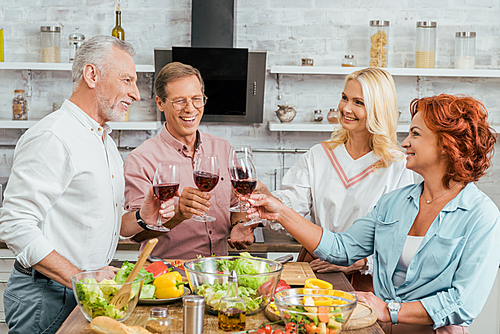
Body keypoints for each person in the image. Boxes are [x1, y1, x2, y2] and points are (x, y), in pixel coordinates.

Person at [247, 94, 500, 333]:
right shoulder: (395, 202)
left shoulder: (481, 215)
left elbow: (462, 302)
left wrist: (389, 309)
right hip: (376, 325)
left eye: (415, 133)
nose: (404, 142)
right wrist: (279, 211)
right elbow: (342, 247)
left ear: (447, 145)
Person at [0, 36, 175, 334]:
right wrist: (82, 279)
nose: (136, 94)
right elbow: (15, 225)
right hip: (48, 295)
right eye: (127, 80)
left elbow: (95, 224)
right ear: (92, 75)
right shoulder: (53, 136)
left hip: (82, 290)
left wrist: (143, 217)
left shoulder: (102, 140)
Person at [255, 67, 414, 289]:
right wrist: (268, 200)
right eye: (344, 98)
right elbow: (292, 206)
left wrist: (357, 262)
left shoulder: (397, 165)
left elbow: (401, 241)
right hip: (315, 270)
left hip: (365, 281)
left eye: (358, 102)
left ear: (379, 109)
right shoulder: (319, 155)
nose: (345, 108)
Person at [124, 62, 256, 260]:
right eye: (179, 101)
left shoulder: (223, 148)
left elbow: (236, 205)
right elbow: (136, 234)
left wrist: (239, 226)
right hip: (168, 275)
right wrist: (179, 214)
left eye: (196, 99)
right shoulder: (141, 159)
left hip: (218, 271)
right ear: (160, 103)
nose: (190, 108)